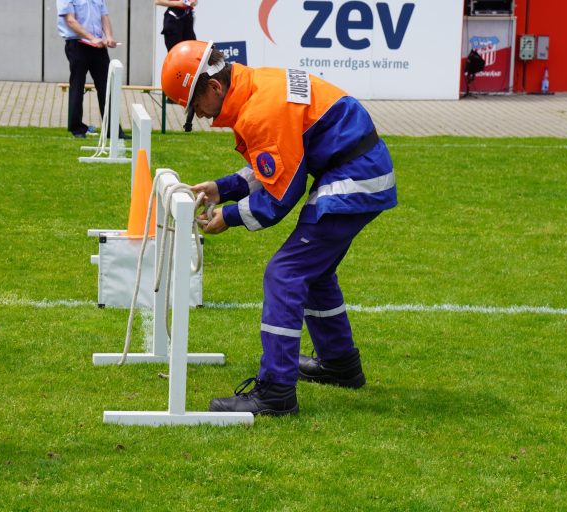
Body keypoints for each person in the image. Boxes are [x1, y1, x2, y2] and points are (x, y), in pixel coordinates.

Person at [160, 41, 398, 416]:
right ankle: (340, 364)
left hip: (354, 177)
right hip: (358, 170)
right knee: (314, 272)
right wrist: (222, 188)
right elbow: (277, 162)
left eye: (194, 105)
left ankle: (276, 391)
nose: (199, 115)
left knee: (285, 274)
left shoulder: (259, 110)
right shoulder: (256, 87)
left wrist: (229, 217)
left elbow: (281, 195)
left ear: (215, 87)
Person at [56, 0, 129, 139]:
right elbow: (70, 20)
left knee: (107, 87)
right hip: (77, 44)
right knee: (77, 86)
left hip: (98, 46)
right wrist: (91, 38)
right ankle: (77, 129)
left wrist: (109, 36)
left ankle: (113, 130)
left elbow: (104, 16)